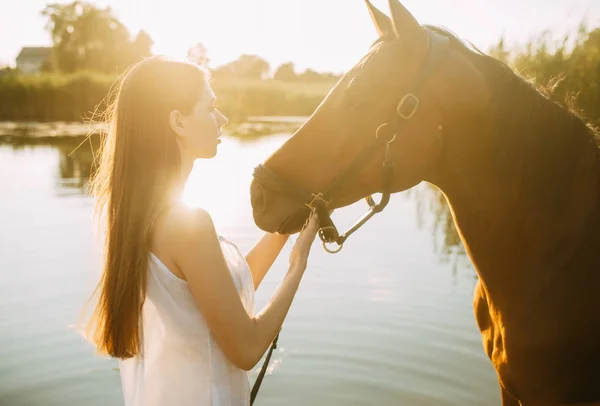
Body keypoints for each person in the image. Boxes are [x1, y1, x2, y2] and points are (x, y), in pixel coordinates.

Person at [84, 55, 320, 406]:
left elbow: (221, 296)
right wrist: (297, 267)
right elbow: (247, 347)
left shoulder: (145, 215)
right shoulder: (186, 224)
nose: (222, 118)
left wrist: (283, 231)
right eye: (210, 107)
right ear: (178, 122)